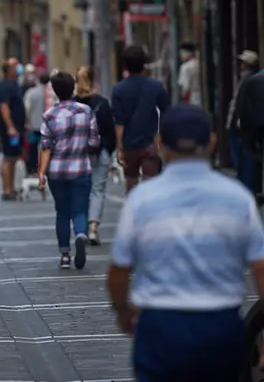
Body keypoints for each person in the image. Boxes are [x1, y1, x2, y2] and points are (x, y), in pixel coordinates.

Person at [107, 104, 264, 381]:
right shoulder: (237, 198)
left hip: (161, 325)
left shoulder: (142, 200)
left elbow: (119, 270)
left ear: (160, 144)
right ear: (211, 143)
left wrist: (123, 311)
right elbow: (260, 268)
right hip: (220, 325)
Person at [37, 72, 99, 269]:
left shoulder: (49, 115)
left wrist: (41, 173)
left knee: (62, 212)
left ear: (55, 91)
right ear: (73, 88)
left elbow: (46, 146)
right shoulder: (86, 111)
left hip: (56, 172)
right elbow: (94, 141)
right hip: (81, 168)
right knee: (80, 209)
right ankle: (80, 234)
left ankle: (65, 255)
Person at [111, 45, 170, 193]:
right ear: (144, 63)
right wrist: (160, 138)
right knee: (152, 184)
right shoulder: (156, 86)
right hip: (150, 144)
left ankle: (134, 206)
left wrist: (119, 148)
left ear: (125, 65)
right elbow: (166, 112)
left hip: (129, 144)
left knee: (131, 183)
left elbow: (119, 122)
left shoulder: (118, 90)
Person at [73, 67, 115, 246]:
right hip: (100, 151)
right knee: (97, 190)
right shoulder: (102, 103)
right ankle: (93, 228)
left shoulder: (71, 105)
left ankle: (81, 229)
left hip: (77, 154)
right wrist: (109, 150)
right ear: (93, 81)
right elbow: (110, 131)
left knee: (80, 191)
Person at [227, 50, 259, 193]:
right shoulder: (243, 80)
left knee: (245, 161)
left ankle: (247, 188)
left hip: (241, 127)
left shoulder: (249, 80)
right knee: (241, 160)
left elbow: (243, 104)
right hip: (237, 125)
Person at [0, 58, 26, 200]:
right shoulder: (5, 86)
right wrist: (10, 126)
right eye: (15, 66)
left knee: (14, 157)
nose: (18, 68)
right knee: (8, 158)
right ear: (8, 70)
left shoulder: (15, 85)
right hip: (10, 128)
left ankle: (11, 186)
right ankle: (6, 189)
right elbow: (4, 106)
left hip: (17, 127)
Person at [23, 72, 50, 175]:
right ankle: (44, 168)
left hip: (33, 125)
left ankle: (32, 168)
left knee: (32, 148)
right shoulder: (51, 93)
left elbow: (27, 108)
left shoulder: (31, 92)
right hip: (47, 127)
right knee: (46, 148)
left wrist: (27, 121)